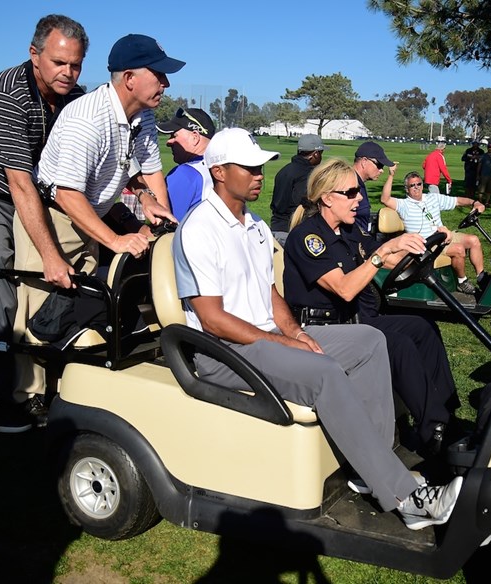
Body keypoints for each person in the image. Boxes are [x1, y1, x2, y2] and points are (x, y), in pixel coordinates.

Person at [174, 128, 462, 530]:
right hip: (223, 350)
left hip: (261, 338)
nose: (260, 174)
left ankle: (373, 468)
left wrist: (294, 333)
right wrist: (282, 341)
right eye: (250, 167)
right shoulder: (200, 228)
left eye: (261, 167)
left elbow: (270, 294)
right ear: (219, 172)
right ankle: (405, 498)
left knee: (370, 339)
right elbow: (212, 319)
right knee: (325, 373)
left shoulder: (254, 226)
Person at [12, 33, 180, 403]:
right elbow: (67, 193)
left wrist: (155, 209)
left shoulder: (144, 116)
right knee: (41, 311)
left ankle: (68, 391)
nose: (166, 84)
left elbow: (150, 170)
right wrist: (116, 240)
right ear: (130, 78)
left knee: (77, 309)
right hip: (53, 218)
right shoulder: (86, 117)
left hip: (92, 217)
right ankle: (29, 398)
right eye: (160, 75)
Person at [0, 14, 89, 433]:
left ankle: (33, 392)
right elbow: (20, 182)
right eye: (59, 62)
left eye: (76, 64)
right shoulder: (6, 94)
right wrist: (50, 254)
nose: (68, 73)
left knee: (35, 298)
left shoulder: (73, 97)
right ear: (34, 54)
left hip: (26, 201)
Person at [284, 158, 461, 454]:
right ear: (327, 198)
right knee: (398, 343)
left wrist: (419, 249)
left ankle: (447, 413)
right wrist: (382, 253)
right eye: (350, 193)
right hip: (321, 330)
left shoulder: (349, 231)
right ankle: (434, 431)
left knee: (422, 325)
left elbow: (384, 259)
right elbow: (345, 288)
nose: (359, 199)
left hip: (352, 321)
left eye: (358, 192)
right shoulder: (308, 238)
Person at [380, 169, 487, 294]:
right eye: (412, 185)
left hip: (444, 235)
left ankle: (481, 277)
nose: (416, 187)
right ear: (407, 189)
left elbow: (457, 201)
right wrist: (391, 175)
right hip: (428, 244)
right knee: (458, 249)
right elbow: (385, 199)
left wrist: (475, 203)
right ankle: (462, 281)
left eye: (419, 184)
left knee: (473, 240)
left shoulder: (432, 198)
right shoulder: (403, 205)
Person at [158, 107, 216, 221]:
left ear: (195, 137)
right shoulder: (222, 169)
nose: (169, 142)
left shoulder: (184, 174)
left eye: (174, 135)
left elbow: (165, 226)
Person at [270, 134, 327, 244]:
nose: (321, 157)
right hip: (292, 231)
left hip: (276, 227)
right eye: (321, 153)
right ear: (315, 154)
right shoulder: (307, 175)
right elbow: (303, 205)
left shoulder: (285, 170)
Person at [352, 141, 394, 232]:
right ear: (364, 161)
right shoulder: (349, 184)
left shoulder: (358, 183)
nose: (382, 170)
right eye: (379, 165)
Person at [475, 141, 491, 206]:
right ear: (487, 148)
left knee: (489, 190)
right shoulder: (483, 156)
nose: (490, 149)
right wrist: (478, 175)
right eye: (489, 147)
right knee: (481, 190)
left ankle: (487, 202)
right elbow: (479, 166)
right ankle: (480, 201)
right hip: (483, 175)